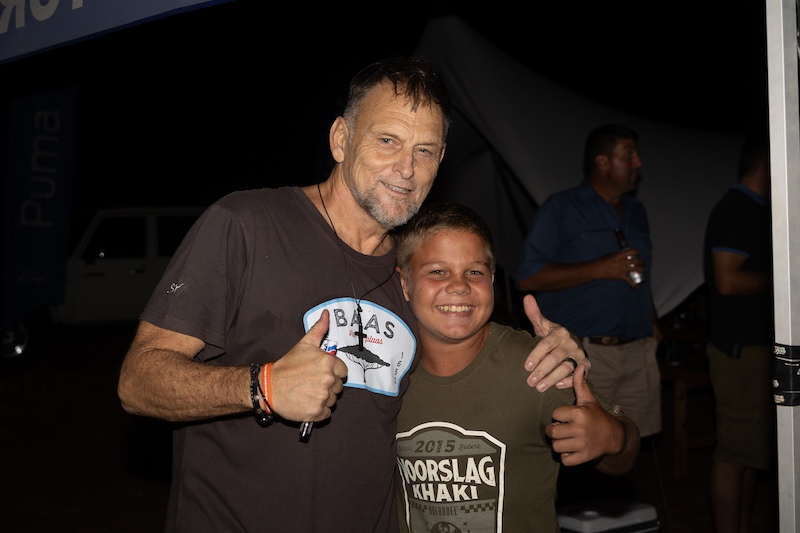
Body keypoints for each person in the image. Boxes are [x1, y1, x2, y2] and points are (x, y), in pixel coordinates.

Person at [117, 56, 590, 532]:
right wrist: (262, 387)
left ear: (441, 160)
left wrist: (557, 354)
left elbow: (470, 359)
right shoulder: (246, 225)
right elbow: (138, 381)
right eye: (387, 140)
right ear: (341, 139)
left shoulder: (412, 276)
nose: (406, 169)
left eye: (425, 150)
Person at [392, 202, 641, 533]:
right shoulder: (383, 371)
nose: (459, 285)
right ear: (404, 283)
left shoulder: (536, 365)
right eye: (438, 271)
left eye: (474, 272)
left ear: (492, 279)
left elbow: (625, 450)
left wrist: (612, 437)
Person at [515, 124, 662, 439]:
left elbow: (641, 274)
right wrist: (601, 268)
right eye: (629, 155)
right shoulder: (561, 208)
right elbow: (527, 276)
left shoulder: (637, 211)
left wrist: (653, 322)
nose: (638, 163)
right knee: (585, 444)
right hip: (587, 354)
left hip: (639, 350)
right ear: (603, 162)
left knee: (634, 442)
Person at [703, 134, 775, 533]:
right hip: (738, 351)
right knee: (733, 455)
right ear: (768, 162)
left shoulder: (759, 211)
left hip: (755, 348)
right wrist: (783, 278)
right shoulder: (734, 210)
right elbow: (727, 281)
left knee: (750, 455)